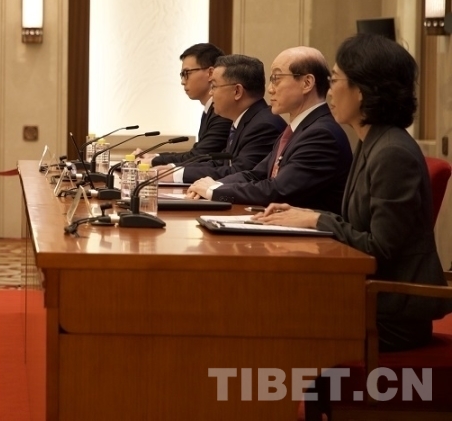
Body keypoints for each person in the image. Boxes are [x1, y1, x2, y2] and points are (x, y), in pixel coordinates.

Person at [255, 34, 452, 351]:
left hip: (391, 314)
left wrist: (316, 221)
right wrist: (307, 215)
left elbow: (379, 248)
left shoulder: (392, 152)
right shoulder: (372, 141)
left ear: (363, 90)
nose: (329, 91)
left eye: (335, 80)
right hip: (370, 297)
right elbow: (358, 225)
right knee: (266, 305)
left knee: (271, 320)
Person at [186, 47, 352, 214]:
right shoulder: (297, 129)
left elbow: (277, 190)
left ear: (307, 83)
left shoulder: (322, 134)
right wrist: (214, 185)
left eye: (276, 79)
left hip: (307, 230)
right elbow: (255, 174)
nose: (270, 89)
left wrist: (214, 190)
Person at [154, 54, 286, 183]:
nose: (210, 93)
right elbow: (220, 163)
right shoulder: (246, 120)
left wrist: (177, 175)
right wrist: (174, 170)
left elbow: (239, 172)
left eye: (214, 86)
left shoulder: (264, 126)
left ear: (237, 91)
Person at [149, 43, 232, 165]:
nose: (183, 82)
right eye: (182, 75)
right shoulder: (209, 110)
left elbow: (200, 156)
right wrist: (154, 157)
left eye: (186, 73)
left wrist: (154, 160)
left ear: (210, 73)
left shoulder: (222, 113)